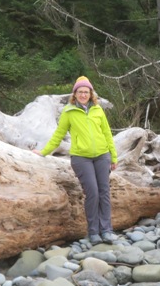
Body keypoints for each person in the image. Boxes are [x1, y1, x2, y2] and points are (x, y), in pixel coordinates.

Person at [33, 76, 118, 242]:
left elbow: (107, 134)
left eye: (86, 92)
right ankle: (93, 232)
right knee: (92, 192)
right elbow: (59, 135)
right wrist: (44, 152)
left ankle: (106, 230)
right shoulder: (68, 111)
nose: (83, 95)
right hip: (81, 158)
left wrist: (113, 156)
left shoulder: (98, 109)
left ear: (91, 93)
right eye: (80, 92)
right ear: (75, 94)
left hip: (102, 156)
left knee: (104, 193)